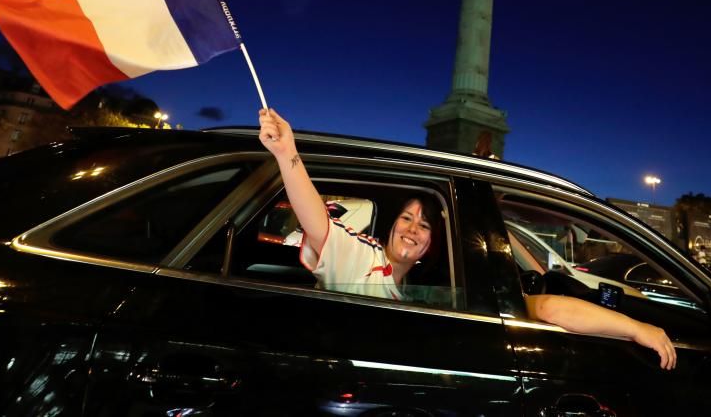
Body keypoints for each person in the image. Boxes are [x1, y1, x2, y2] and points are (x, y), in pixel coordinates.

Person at [259, 108, 677, 370]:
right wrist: (287, 155)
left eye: (424, 226)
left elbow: (549, 307)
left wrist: (634, 329)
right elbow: (316, 222)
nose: (412, 229)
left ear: (430, 245)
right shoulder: (358, 254)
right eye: (406, 218)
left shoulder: (431, 295)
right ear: (389, 226)